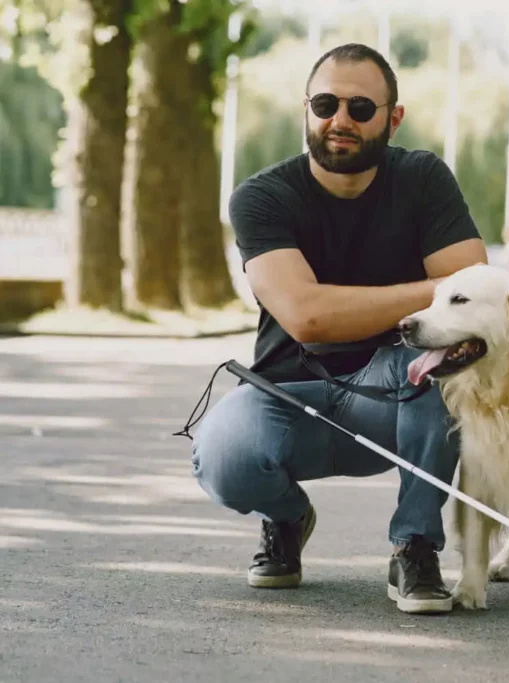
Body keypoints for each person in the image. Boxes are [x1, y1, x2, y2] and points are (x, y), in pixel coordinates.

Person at [188, 43, 487, 615]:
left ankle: (415, 544)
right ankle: (286, 517)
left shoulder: (422, 179)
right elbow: (306, 317)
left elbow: (473, 290)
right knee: (223, 458)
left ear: (393, 118)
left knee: (448, 367)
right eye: (324, 103)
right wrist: (431, 294)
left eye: (360, 107)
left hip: (398, 395)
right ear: (306, 109)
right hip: (287, 392)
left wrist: (431, 298)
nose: (340, 120)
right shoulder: (261, 197)